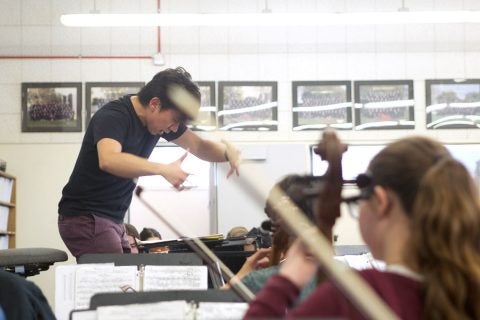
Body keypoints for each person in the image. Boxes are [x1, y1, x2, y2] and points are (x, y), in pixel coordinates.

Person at [245, 136, 480, 319]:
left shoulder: (359, 295)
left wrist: (287, 279)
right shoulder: (467, 293)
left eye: (359, 201)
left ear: (380, 201)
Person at [58, 67, 241, 260]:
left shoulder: (159, 122)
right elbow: (109, 159)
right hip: (85, 218)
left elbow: (199, 146)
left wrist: (229, 153)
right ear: (155, 104)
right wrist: (162, 169)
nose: (175, 128)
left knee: (128, 275)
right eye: (175, 120)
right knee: (115, 282)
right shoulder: (113, 116)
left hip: (112, 219)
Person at [225, 174, 318, 302]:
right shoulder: (349, 277)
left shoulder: (259, 281)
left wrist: (242, 274)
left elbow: (211, 307)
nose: (272, 231)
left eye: (273, 220)